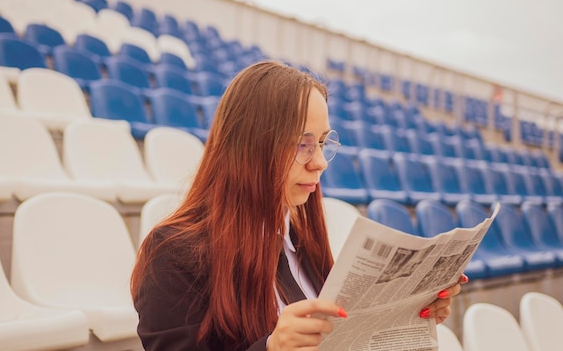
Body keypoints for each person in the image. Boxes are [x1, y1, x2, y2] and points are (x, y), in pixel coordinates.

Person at [131, 60, 466, 350]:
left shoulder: (303, 243)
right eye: (302, 144)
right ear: (250, 147)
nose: (319, 162)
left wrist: (404, 318)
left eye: (321, 142)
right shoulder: (173, 254)